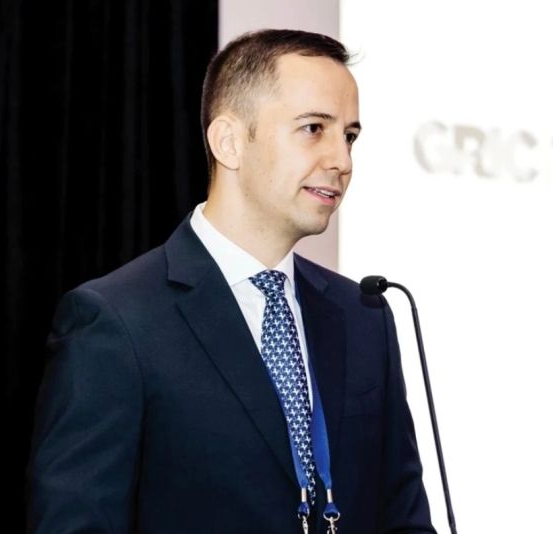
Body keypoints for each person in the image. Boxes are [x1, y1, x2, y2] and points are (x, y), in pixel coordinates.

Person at [27, 29, 436, 533]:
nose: (342, 161)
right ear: (229, 142)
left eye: (349, 136)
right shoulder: (117, 322)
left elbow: (403, 516)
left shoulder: (364, 313)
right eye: (314, 129)